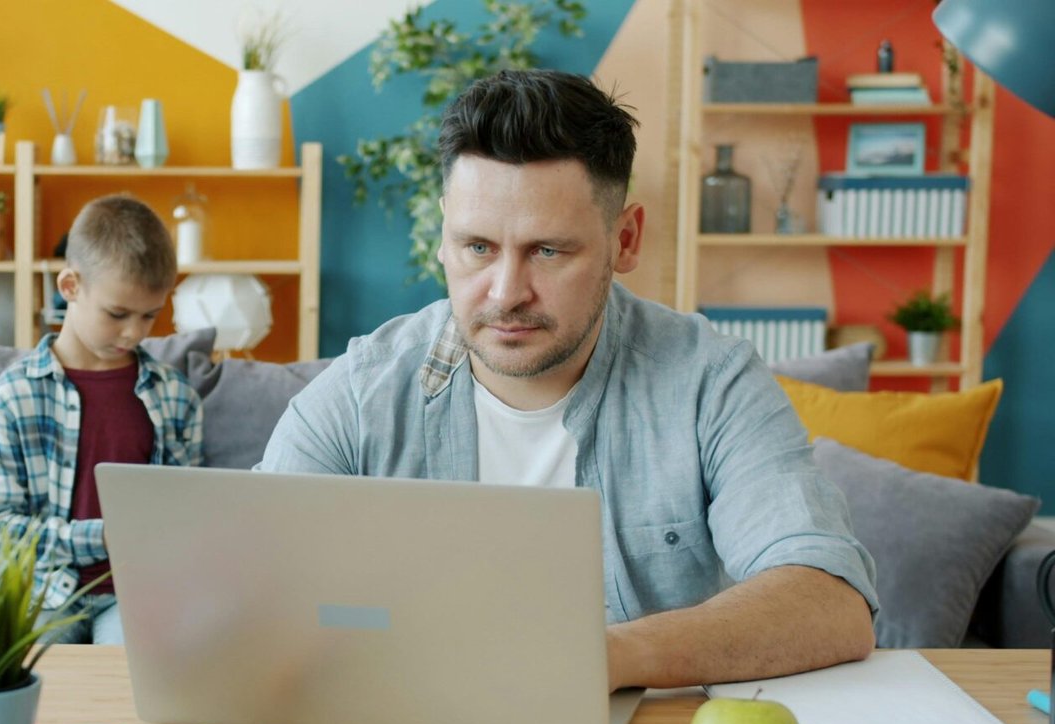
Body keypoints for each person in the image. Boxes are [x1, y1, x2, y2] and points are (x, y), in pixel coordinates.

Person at [258, 69, 877, 689]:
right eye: (478, 247)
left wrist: (604, 660)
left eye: (547, 251)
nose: (506, 293)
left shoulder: (709, 383)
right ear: (443, 236)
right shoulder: (360, 394)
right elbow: (250, 591)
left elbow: (829, 599)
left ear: (624, 240)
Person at [0, 194, 203, 645]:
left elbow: (184, 514)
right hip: (39, 590)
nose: (134, 332)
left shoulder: (175, 397)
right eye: (117, 314)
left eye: (150, 316)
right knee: (34, 668)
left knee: (130, 672)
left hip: (136, 594)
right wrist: (104, 537)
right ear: (70, 286)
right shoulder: (10, 397)